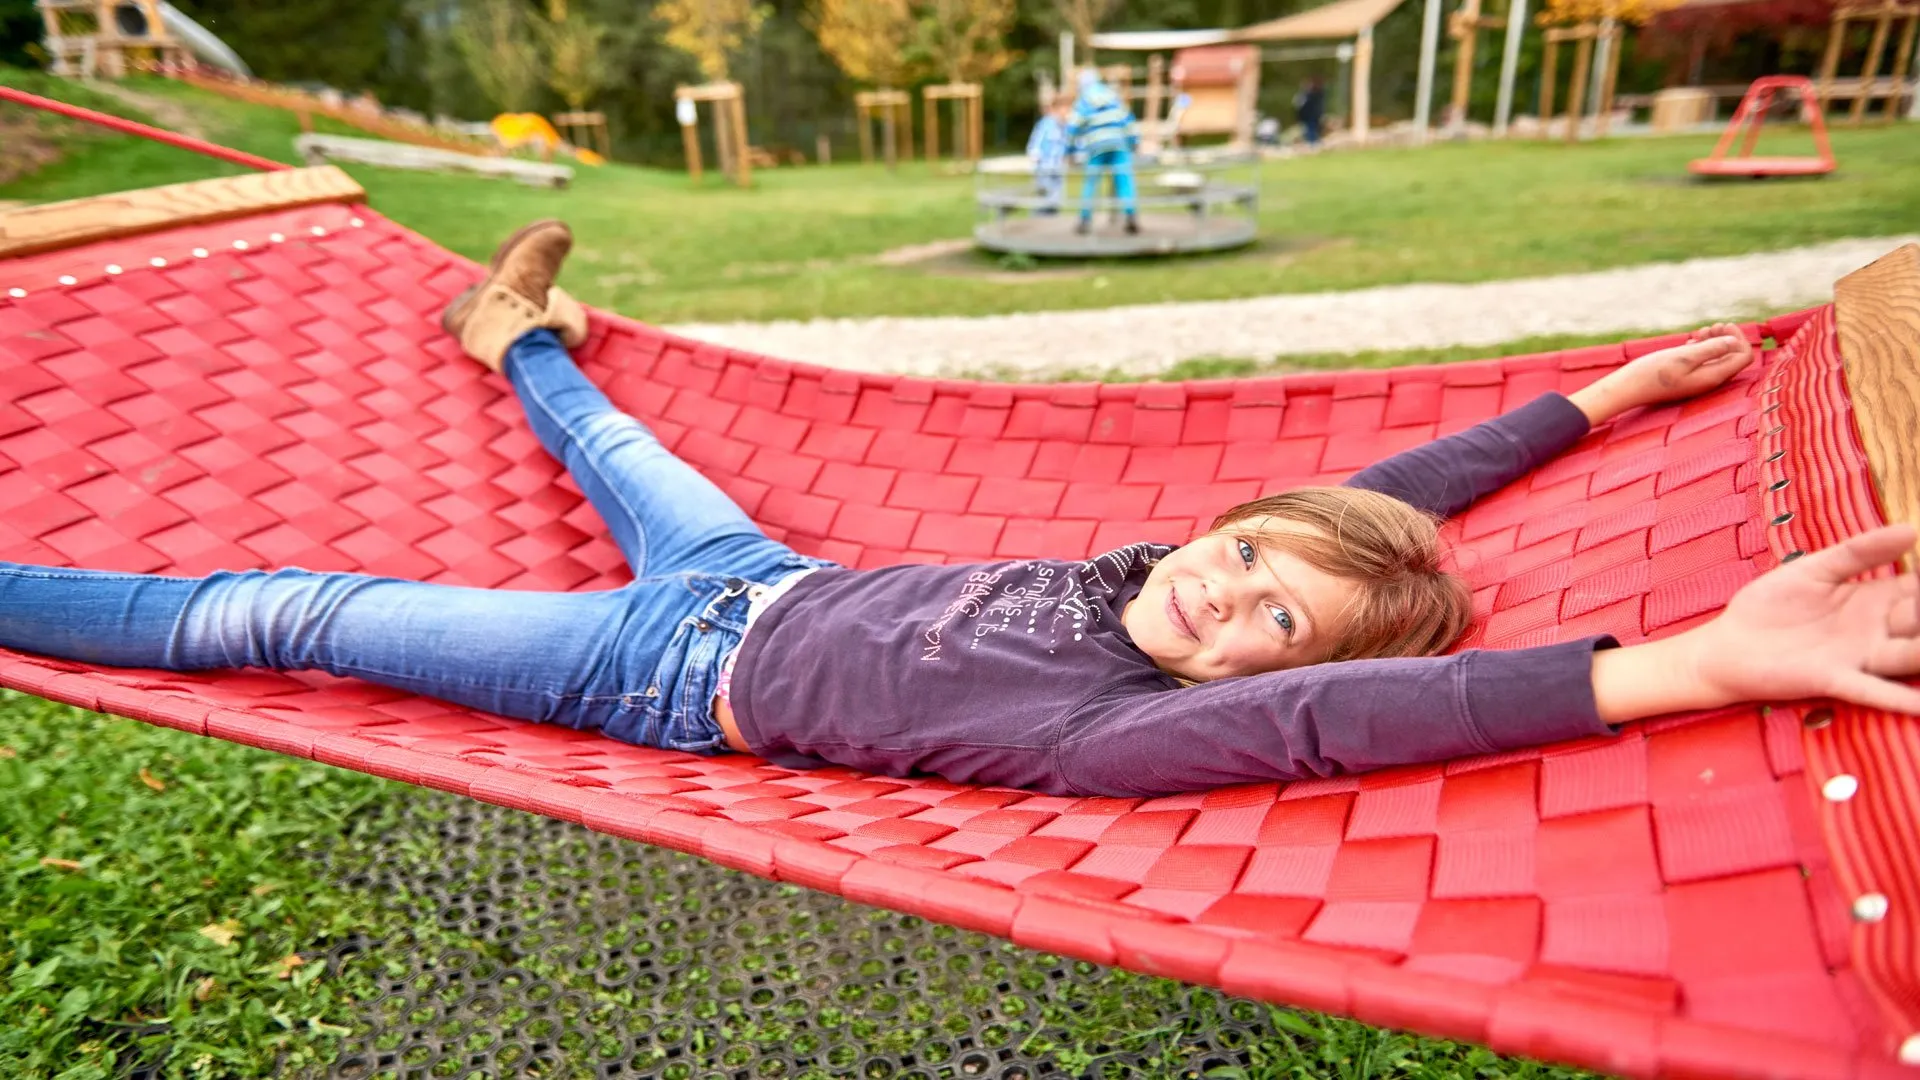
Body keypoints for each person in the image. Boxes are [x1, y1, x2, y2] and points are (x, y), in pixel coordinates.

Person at [5, 222, 1919, 799]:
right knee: (615, 450)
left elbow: (1370, 710)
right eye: (1244, 559)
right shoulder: (1150, 566)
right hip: (760, 574)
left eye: (1271, 627)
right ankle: (517, 334)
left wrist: (1688, 663)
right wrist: (1601, 396)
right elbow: (1374, 498)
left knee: (295, 610)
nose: (1232, 605)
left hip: (651, 682)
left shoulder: (1118, 733)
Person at [1067, 69, 1140, 236]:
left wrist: (1070, 150)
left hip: (1096, 146)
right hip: (1118, 144)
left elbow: (1072, 127)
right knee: (1124, 181)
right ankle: (1131, 216)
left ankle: (1085, 220)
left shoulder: (1083, 100)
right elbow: (1128, 120)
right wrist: (1133, 142)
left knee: (1091, 183)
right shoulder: (1113, 96)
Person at [1025, 93, 1072, 216]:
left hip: (1058, 170)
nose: (1067, 112)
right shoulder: (1046, 124)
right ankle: (1036, 225)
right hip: (1045, 170)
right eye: (1066, 109)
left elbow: (1070, 147)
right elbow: (1035, 144)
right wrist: (1035, 158)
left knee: (1055, 203)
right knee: (1043, 202)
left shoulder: (1066, 127)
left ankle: (1049, 227)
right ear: (1058, 108)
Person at [1295, 76, 1326, 149]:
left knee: (1311, 129)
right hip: (1309, 115)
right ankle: (1312, 143)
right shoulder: (1309, 94)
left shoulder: (1312, 95)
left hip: (1312, 115)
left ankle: (1312, 143)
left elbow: (1306, 105)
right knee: (1310, 129)